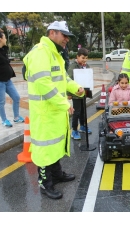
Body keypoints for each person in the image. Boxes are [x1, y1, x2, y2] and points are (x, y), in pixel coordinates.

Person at [22, 21, 85, 200]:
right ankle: (45, 183)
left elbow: (63, 79)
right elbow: (44, 84)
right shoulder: (41, 52)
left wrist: (76, 87)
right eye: (64, 35)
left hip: (54, 111)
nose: (67, 39)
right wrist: (65, 104)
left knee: (55, 145)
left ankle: (56, 174)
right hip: (44, 113)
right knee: (44, 149)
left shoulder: (54, 53)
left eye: (67, 36)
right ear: (52, 33)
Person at [67, 48, 92, 140]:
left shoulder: (86, 66)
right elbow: (68, 80)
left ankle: (82, 126)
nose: (84, 60)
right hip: (76, 94)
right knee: (76, 112)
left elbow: (89, 78)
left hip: (84, 93)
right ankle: (74, 130)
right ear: (77, 56)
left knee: (83, 111)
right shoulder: (72, 66)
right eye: (82, 58)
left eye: (86, 58)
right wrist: (69, 93)